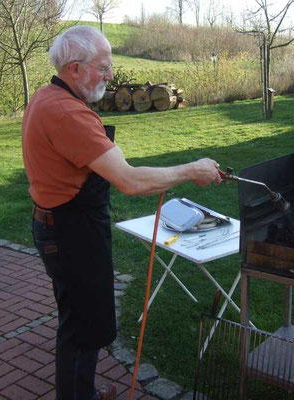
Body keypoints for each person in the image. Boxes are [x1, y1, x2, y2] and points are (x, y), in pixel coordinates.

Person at [21, 25, 222, 400]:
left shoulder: (47, 97)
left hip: (59, 225)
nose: (111, 75)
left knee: (79, 322)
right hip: (70, 234)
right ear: (75, 68)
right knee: (81, 328)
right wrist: (191, 170)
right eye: (103, 66)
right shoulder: (68, 114)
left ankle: (83, 393)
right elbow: (129, 180)